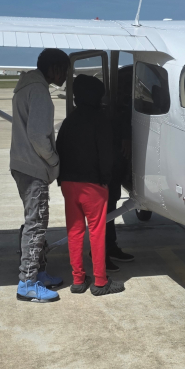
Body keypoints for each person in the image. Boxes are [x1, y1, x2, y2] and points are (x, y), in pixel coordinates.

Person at [57, 74, 125, 296]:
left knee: (75, 231)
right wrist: (106, 179)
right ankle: (100, 282)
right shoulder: (100, 120)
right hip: (92, 185)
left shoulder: (69, 121)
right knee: (96, 232)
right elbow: (106, 154)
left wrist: (61, 178)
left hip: (68, 183)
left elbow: (59, 148)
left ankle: (78, 280)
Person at [11, 48, 68, 303]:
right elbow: (37, 135)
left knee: (35, 222)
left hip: (21, 163)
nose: (65, 76)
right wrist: (54, 160)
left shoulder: (25, 87)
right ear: (54, 69)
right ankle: (28, 282)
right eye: (64, 70)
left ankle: (39, 272)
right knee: (36, 224)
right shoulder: (40, 92)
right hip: (33, 167)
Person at [105, 64, 135, 272]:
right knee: (107, 208)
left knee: (112, 205)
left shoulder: (122, 108)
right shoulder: (111, 110)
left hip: (116, 166)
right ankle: (103, 250)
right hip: (110, 166)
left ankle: (110, 246)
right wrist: (125, 137)